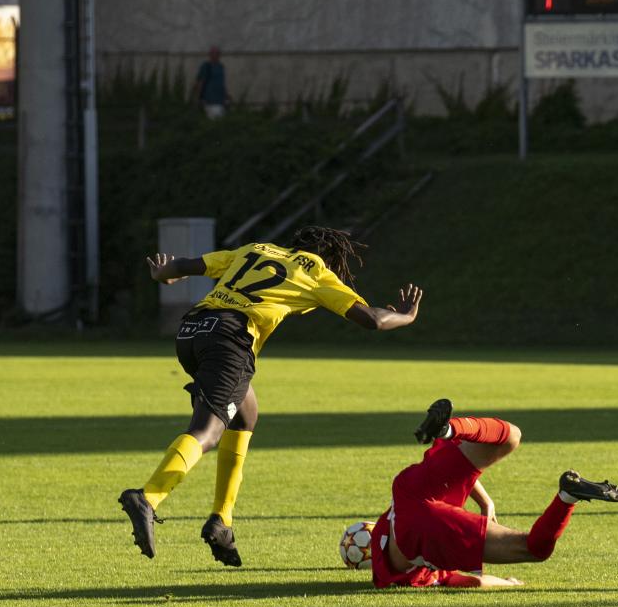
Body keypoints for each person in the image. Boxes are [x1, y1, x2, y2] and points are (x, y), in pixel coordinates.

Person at [118, 226, 423, 567]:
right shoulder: (316, 271)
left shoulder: (255, 249)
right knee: (207, 431)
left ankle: (222, 521)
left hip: (192, 331)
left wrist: (163, 274)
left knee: (245, 413)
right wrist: (406, 316)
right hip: (231, 339)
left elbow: (186, 265)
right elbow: (373, 319)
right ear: (330, 259)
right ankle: (148, 496)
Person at [366, 398, 618, 589]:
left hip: (423, 534)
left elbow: (475, 582)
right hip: (410, 488)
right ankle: (449, 430)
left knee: (533, 549)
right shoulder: (384, 525)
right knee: (510, 435)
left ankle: (567, 497)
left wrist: (508, 583)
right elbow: (455, 479)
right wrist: (486, 501)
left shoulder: (398, 577)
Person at [192, 46, 230, 119]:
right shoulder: (206, 66)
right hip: (210, 100)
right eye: (213, 53)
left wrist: (226, 96)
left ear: (219, 55)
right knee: (213, 120)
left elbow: (221, 83)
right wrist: (197, 99)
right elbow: (200, 83)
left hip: (221, 101)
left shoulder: (221, 67)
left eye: (217, 54)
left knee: (221, 121)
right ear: (210, 55)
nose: (215, 55)